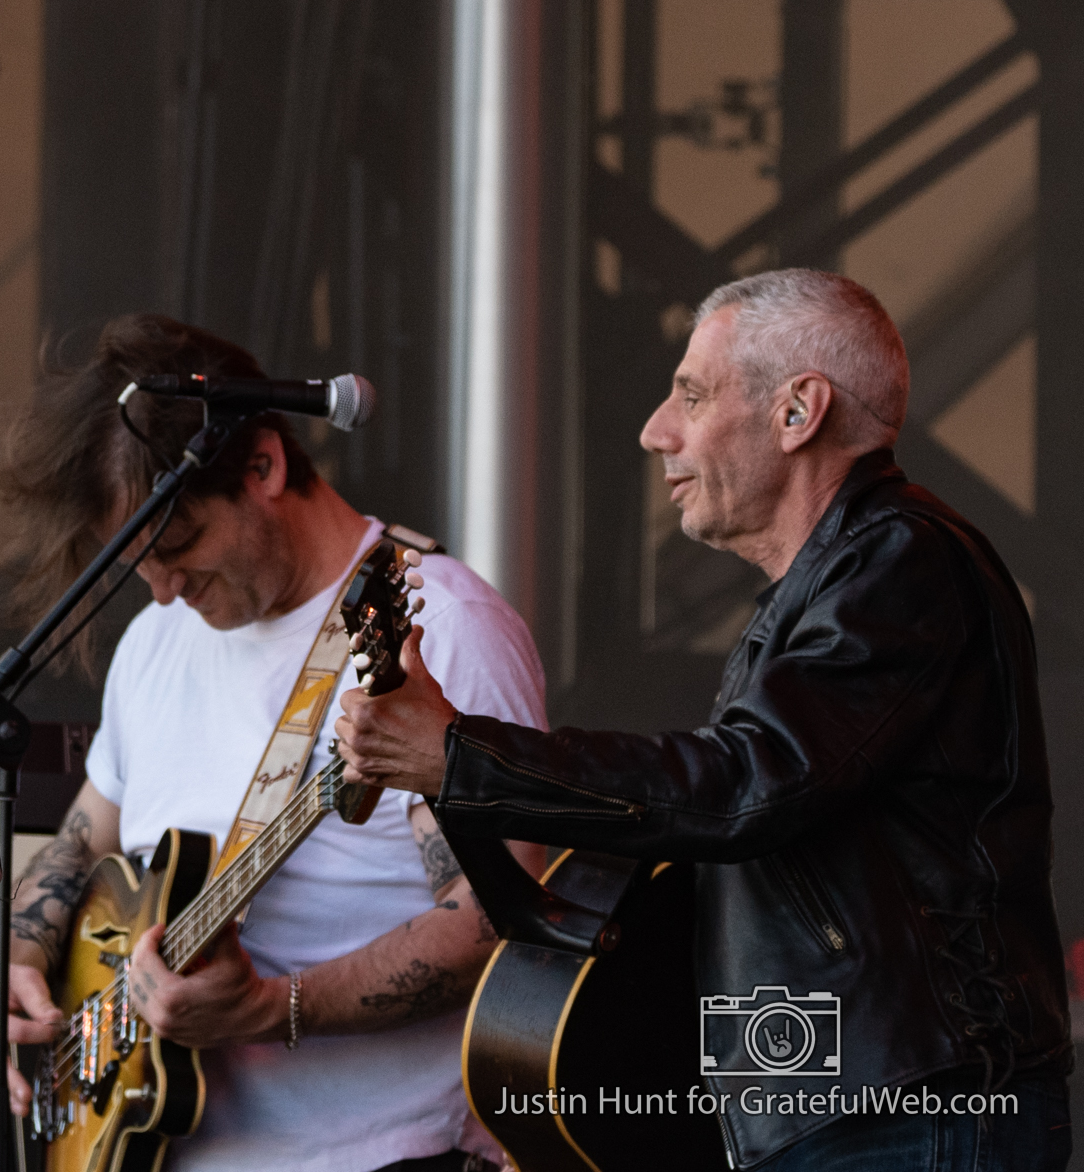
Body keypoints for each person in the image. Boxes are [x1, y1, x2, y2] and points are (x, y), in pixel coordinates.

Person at [336, 269, 1071, 1171]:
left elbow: (744, 787)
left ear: (799, 412)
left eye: (692, 392)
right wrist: (452, 770)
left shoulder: (900, 557)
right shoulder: (827, 587)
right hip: (839, 1101)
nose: (656, 430)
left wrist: (461, 755)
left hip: (904, 1112)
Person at [0, 314, 549, 1171]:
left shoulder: (436, 629)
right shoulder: (153, 644)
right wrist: (21, 955)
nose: (163, 590)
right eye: (136, 565)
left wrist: (275, 1006)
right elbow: (85, 835)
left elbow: (497, 915)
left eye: (179, 544)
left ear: (265, 465)